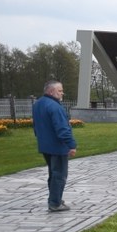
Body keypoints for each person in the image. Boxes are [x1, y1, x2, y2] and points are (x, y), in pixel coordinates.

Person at [32, 80, 77, 212]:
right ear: (51, 91)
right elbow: (63, 129)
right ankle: (55, 203)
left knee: (53, 173)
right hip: (57, 146)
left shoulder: (38, 104)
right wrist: (71, 145)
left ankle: (55, 198)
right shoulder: (55, 107)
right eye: (60, 90)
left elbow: (36, 126)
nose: (62, 93)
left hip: (45, 145)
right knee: (59, 174)